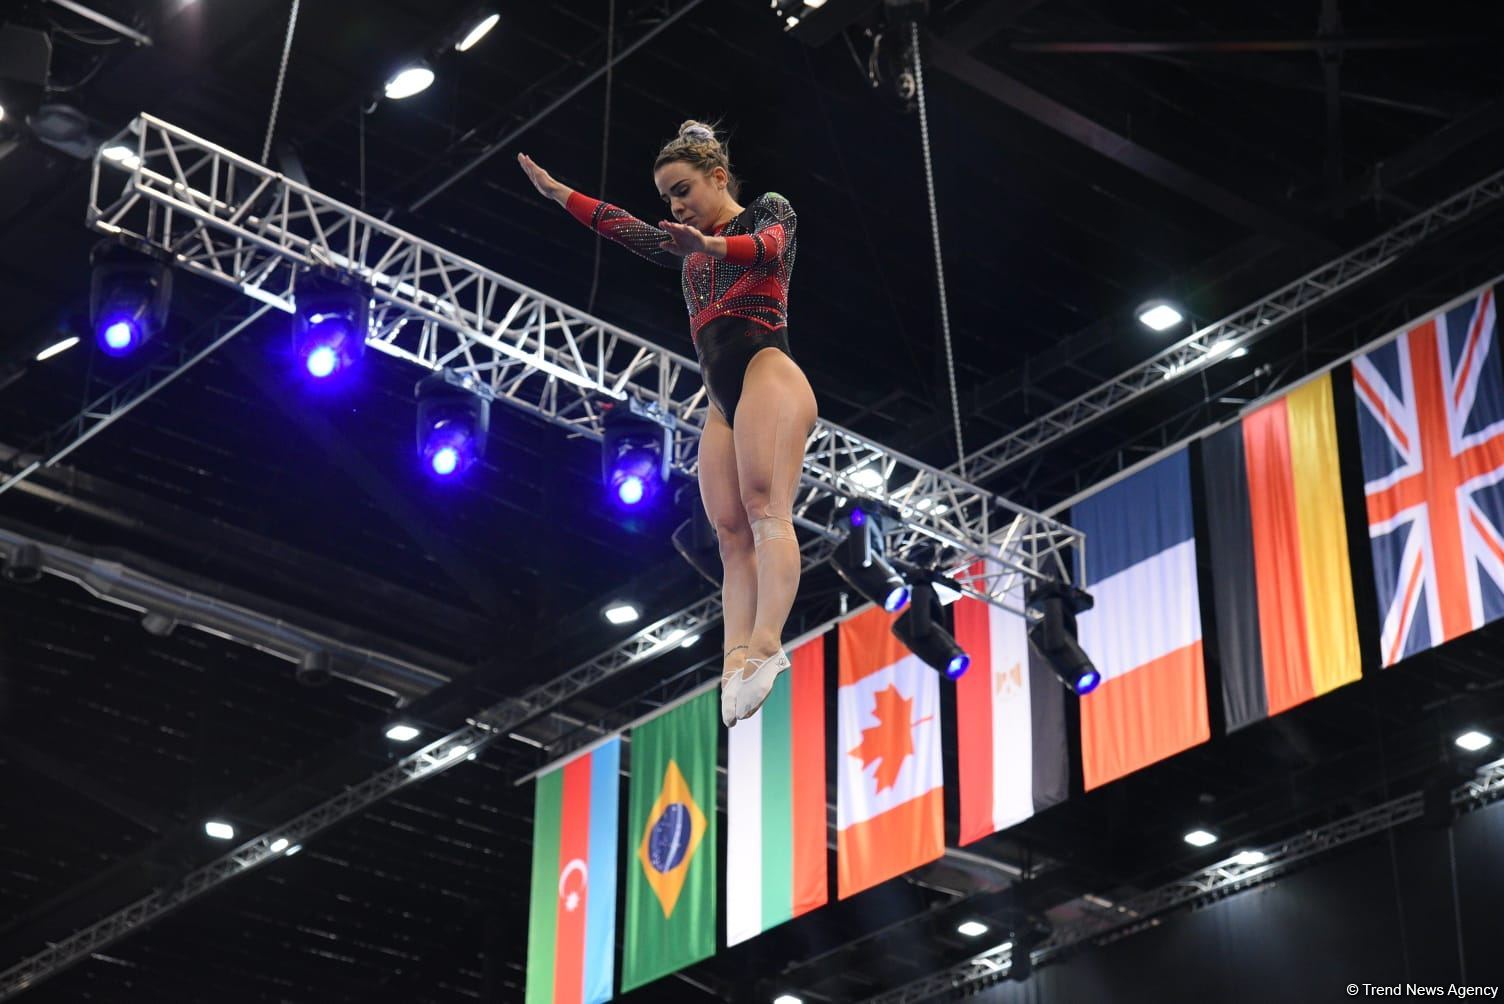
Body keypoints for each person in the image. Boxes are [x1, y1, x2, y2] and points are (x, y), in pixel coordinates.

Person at [518, 119, 817, 728]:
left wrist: (704, 247)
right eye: (667, 198)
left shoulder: (766, 209)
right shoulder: (684, 240)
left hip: (768, 368)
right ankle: (736, 659)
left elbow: (770, 247)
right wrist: (558, 194)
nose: (675, 207)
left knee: (764, 507)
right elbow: (622, 227)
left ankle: (766, 644)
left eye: (683, 191)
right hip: (722, 397)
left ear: (718, 177)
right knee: (729, 533)